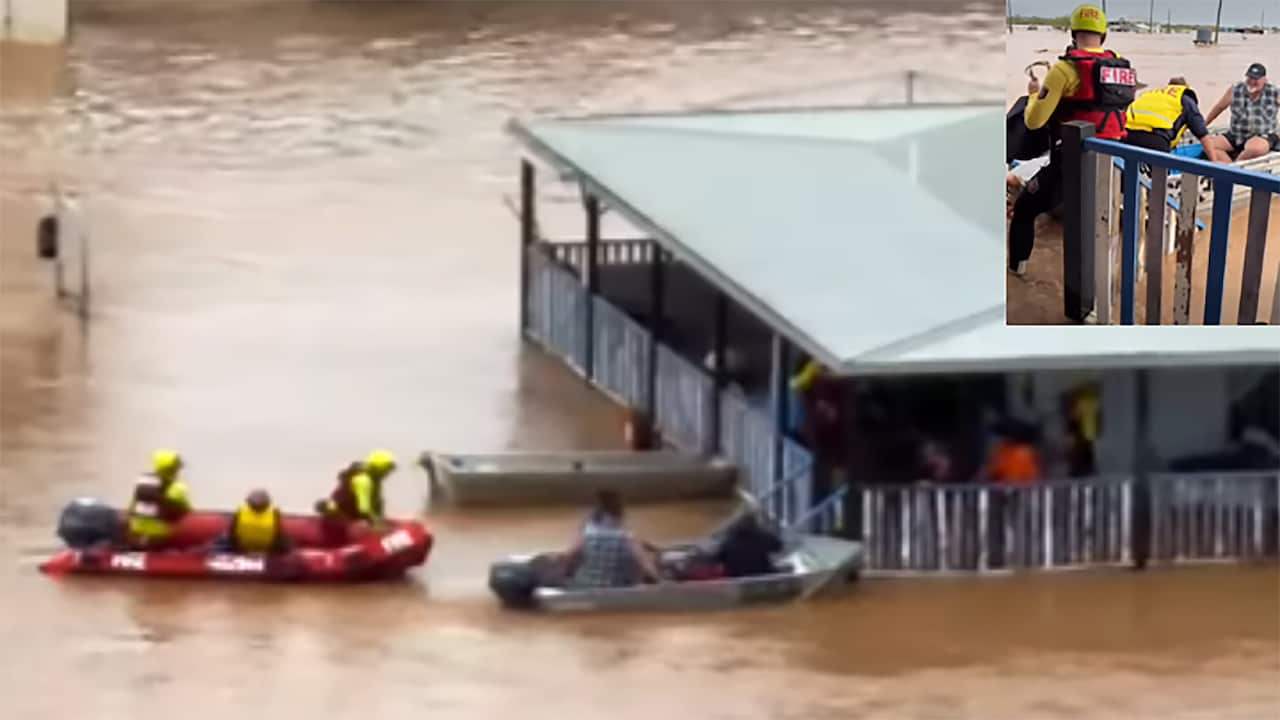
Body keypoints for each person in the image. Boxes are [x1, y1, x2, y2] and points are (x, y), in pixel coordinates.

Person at [1009, 4, 1136, 276]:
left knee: (1024, 208)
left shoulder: (1064, 70)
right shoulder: (1121, 68)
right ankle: (1113, 278)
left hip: (1072, 161)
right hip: (1114, 159)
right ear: (1104, 35)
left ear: (1072, 32)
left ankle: (1017, 271)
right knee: (1102, 222)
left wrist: (1033, 94)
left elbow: (1034, 121)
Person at [563, 490, 661, 588]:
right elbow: (644, 561)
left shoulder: (587, 534)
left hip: (585, 587)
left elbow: (570, 557)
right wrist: (659, 580)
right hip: (617, 589)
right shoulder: (627, 536)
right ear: (619, 513)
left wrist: (565, 573)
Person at [1202, 63, 1279, 163]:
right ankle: (1228, 167)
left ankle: (1235, 167)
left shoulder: (1274, 92)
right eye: (1250, 78)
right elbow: (1219, 108)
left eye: (1256, 79)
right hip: (1236, 134)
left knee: (1255, 149)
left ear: (1264, 80)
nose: (1252, 82)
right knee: (1208, 145)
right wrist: (1204, 126)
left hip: (1262, 135)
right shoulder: (1235, 89)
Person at [126, 449, 194, 548]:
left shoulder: (144, 483)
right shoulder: (178, 487)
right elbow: (188, 513)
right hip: (161, 537)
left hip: (136, 533)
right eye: (177, 468)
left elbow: (131, 509)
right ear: (173, 469)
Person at [1123, 77, 1211, 153]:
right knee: (1159, 171)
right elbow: (1202, 134)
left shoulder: (1152, 93)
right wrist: (1214, 162)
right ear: (1185, 87)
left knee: (1129, 168)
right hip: (1156, 140)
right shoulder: (1184, 98)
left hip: (1128, 134)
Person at [315, 450, 397, 528]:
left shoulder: (376, 481)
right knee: (330, 508)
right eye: (387, 469)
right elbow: (364, 509)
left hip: (355, 515)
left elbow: (378, 504)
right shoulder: (364, 480)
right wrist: (375, 525)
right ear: (380, 468)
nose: (388, 473)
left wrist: (381, 520)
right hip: (342, 515)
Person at [216, 489, 291, 554]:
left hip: (244, 548)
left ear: (248, 502)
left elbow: (231, 533)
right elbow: (279, 535)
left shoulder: (240, 511)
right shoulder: (275, 513)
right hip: (265, 549)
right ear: (268, 503)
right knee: (288, 542)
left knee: (220, 540)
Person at [713, 513, 783, 578]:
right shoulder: (762, 536)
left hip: (735, 578)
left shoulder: (729, 540)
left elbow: (717, 558)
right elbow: (778, 547)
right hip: (761, 575)